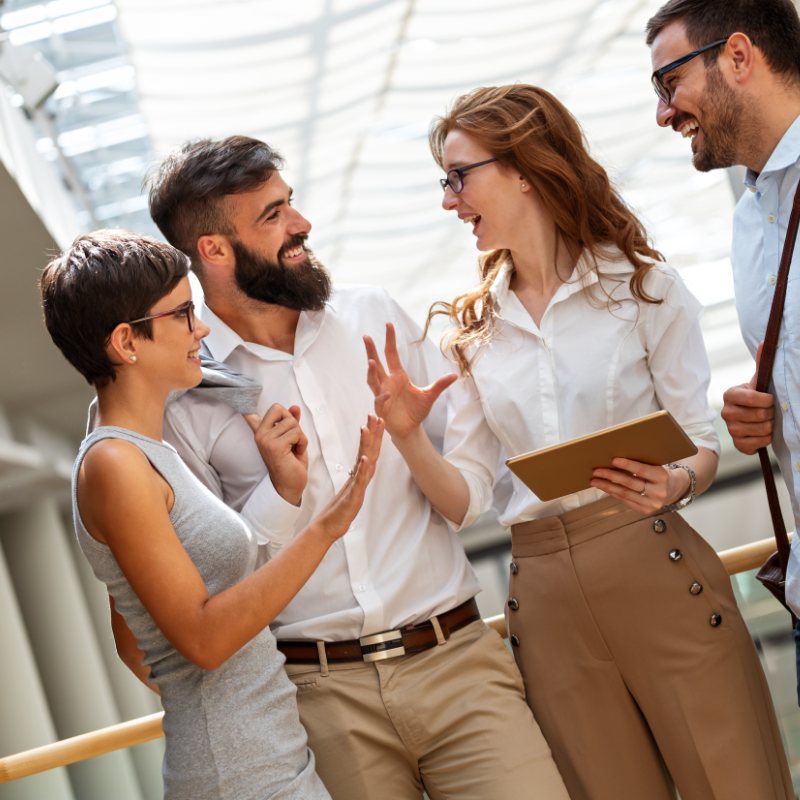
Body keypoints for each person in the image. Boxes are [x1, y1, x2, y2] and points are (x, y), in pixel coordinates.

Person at [363, 84, 793, 800]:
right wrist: (408, 437)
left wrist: (678, 480)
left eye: (458, 177)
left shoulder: (645, 288)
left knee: (736, 784)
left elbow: (697, 442)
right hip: (547, 601)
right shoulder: (472, 333)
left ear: (524, 168)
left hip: (655, 561)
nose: (449, 201)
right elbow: (465, 501)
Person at [122, 135, 569, 800]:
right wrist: (278, 493)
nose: (301, 225)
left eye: (291, 204)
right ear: (213, 250)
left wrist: (416, 439)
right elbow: (205, 581)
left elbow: (471, 492)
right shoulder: (184, 395)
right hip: (317, 699)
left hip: (458, 665)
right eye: (272, 215)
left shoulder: (373, 317)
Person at [40, 229, 384, 800]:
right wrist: (326, 527)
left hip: (261, 763)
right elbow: (202, 640)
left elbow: (136, 635)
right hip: (241, 778)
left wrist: (284, 490)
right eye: (183, 314)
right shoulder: (116, 466)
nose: (201, 330)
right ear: (127, 341)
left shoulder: (141, 451)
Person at [646, 0, 800, 701]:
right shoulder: (748, 220)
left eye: (667, 82)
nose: (662, 113)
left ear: (738, 57)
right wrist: (767, 410)